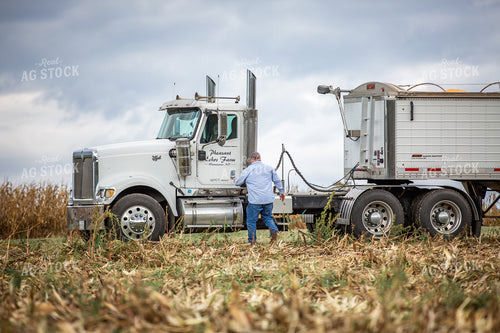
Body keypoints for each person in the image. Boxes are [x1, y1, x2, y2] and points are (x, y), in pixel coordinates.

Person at [234, 152, 285, 244]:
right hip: (268, 200)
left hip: (255, 201)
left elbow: (238, 182)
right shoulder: (269, 168)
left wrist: (234, 180)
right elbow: (277, 180)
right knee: (268, 218)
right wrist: (281, 192)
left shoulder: (248, 170)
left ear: (251, 160)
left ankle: (252, 241)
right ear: (260, 158)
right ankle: (274, 233)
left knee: (251, 221)